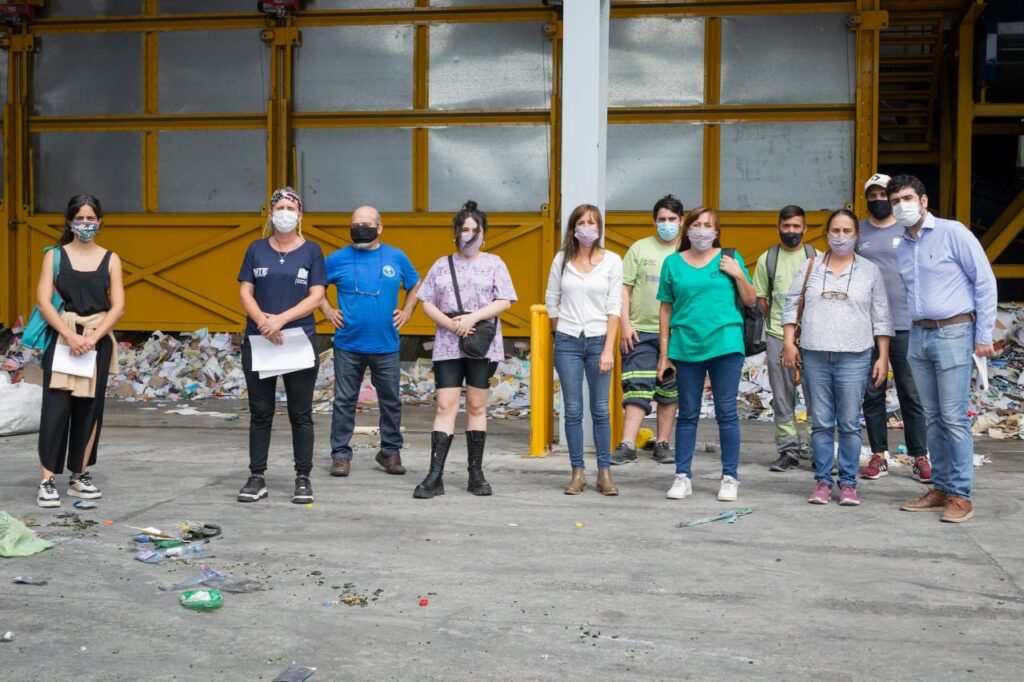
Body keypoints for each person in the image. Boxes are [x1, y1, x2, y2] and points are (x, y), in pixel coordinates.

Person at [889, 175, 997, 523]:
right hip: (918, 334)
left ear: (923, 200)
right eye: (895, 201)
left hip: (953, 331)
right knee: (932, 417)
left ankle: (961, 495)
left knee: (953, 417)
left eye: (907, 198)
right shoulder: (902, 245)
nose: (901, 205)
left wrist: (983, 336)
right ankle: (941, 487)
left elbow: (984, 282)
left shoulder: (954, 233)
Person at [781, 209, 892, 507]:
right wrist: (789, 342)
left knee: (849, 423)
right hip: (815, 355)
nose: (841, 237)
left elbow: (881, 316)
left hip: (855, 357)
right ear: (827, 234)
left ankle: (848, 483)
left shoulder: (870, 271)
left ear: (857, 235)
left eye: (847, 231)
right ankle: (822, 481)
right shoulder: (811, 267)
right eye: (836, 231)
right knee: (820, 422)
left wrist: (882, 356)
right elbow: (790, 305)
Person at [413, 201, 517, 499]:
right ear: (456, 233)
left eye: (475, 230)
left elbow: (505, 300)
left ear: (483, 234)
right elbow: (427, 301)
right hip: (448, 343)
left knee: (476, 405)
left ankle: (476, 473)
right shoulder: (441, 265)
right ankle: (435, 475)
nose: (469, 235)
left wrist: (472, 318)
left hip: (481, 342)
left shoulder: (494, 263)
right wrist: (451, 324)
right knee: (445, 405)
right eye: (464, 230)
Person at [657, 207, 755, 502]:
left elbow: (750, 300)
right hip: (686, 345)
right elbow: (665, 308)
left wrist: (738, 274)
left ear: (716, 231)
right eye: (697, 224)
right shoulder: (673, 263)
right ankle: (682, 476)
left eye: (708, 225)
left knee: (726, 412)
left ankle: (730, 477)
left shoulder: (729, 258)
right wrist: (664, 353)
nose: (702, 230)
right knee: (687, 413)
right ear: (687, 229)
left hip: (725, 344)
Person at [34, 195, 124, 508]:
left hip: (96, 342)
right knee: (56, 409)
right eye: (80, 218)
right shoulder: (54, 256)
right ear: (70, 221)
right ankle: (47, 480)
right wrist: (70, 336)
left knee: (90, 409)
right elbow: (43, 301)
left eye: (90, 219)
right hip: (63, 340)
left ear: (100, 222)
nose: (85, 224)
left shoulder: (111, 259)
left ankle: (79, 474)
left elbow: (118, 306)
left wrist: (93, 337)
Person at [237, 187, 326, 504]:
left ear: (300, 215)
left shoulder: (312, 251)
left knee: (300, 413)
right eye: (280, 208)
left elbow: (317, 296)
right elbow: (245, 291)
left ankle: (303, 477)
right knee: (260, 412)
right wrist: (263, 321)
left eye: (291, 208)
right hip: (260, 340)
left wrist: (281, 320)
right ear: (271, 213)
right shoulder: (256, 249)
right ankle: (257, 476)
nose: (285, 213)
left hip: (297, 340)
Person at [321, 205, 421, 478]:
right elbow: (315, 286)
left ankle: (390, 451)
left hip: (385, 344)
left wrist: (407, 310)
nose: (359, 229)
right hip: (348, 344)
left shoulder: (396, 257)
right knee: (344, 401)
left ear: (379, 227)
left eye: (365, 225)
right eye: (355, 225)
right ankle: (340, 454)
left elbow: (415, 283)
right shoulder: (337, 259)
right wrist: (326, 309)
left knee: (391, 401)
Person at [856, 173, 930, 483]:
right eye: (871, 195)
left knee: (910, 393)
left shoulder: (909, 228)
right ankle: (878, 454)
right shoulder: (858, 231)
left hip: (905, 324)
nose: (878, 200)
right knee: (872, 393)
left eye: (882, 194)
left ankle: (919, 456)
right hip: (868, 325)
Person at [545, 204, 622, 496]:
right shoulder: (562, 259)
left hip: (599, 339)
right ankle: (577, 472)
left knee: (600, 409)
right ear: (573, 228)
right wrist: (558, 330)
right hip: (568, 342)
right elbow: (551, 298)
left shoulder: (612, 260)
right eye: (581, 222)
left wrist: (608, 349)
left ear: (599, 227)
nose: (587, 227)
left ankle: (604, 472)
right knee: (573, 409)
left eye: (592, 222)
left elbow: (614, 306)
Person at [610, 195, 681, 466]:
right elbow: (624, 289)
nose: (667, 224)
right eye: (662, 219)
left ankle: (662, 443)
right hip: (639, 331)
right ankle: (627, 444)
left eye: (672, 219)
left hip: (676, 333)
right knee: (636, 386)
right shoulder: (639, 249)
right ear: (654, 221)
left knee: (669, 390)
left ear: (681, 221)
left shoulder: (686, 252)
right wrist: (625, 324)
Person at [753, 205, 817, 472]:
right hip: (778, 338)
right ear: (778, 227)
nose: (791, 231)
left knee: (817, 398)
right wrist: (778, 329)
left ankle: (818, 450)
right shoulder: (767, 259)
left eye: (796, 226)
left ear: (805, 228)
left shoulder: (816, 258)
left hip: (813, 339)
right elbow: (761, 300)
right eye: (786, 226)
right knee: (782, 398)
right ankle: (788, 451)